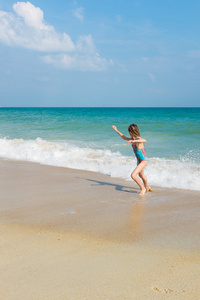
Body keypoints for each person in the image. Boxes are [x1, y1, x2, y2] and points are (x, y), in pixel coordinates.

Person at [112, 124, 151, 195]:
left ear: (131, 132)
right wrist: (116, 130)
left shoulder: (138, 139)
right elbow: (124, 137)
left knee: (133, 175)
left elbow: (144, 140)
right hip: (139, 161)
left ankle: (143, 188)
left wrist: (133, 142)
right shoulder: (133, 139)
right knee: (141, 175)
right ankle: (147, 186)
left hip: (143, 161)